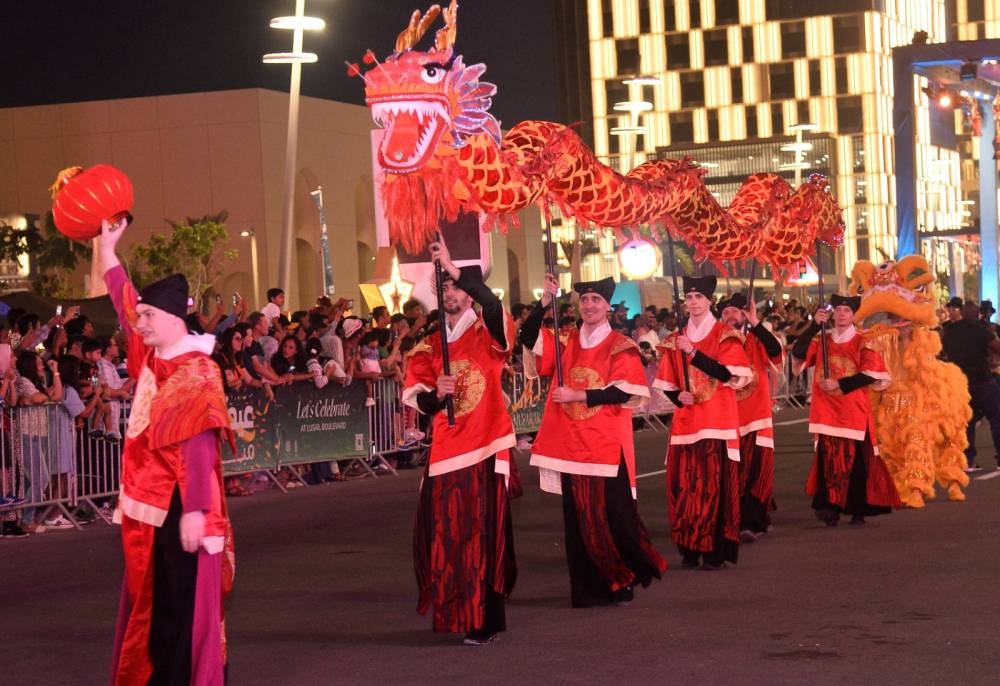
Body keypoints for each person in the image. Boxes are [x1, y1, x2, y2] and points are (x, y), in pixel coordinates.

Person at [99, 217, 235, 685]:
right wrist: (108, 252)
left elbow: (198, 447)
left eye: (149, 316)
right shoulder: (156, 356)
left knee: (179, 608)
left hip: (177, 504)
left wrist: (196, 511)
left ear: (176, 317)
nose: (139, 323)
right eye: (142, 316)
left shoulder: (195, 372)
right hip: (150, 507)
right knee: (153, 604)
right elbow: (123, 304)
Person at [523, 273, 665, 607]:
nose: (589, 305)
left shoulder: (619, 345)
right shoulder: (566, 341)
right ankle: (587, 588)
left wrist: (579, 394)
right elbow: (529, 336)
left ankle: (622, 578)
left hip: (603, 443)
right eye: (584, 300)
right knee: (577, 520)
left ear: (606, 307)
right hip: (570, 443)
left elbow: (624, 390)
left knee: (613, 516)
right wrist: (545, 301)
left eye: (596, 301)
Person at [401, 237, 517, 646]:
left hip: (485, 447)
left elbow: (493, 304)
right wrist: (440, 395)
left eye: (454, 287)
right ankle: (457, 614)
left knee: (482, 536)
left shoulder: (488, 333)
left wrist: (452, 266)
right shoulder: (430, 346)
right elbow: (424, 402)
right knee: (448, 538)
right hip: (447, 453)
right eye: (443, 288)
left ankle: (485, 619)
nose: (448, 293)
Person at [654, 275, 751, 570]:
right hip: (686, 423)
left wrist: (693, 353)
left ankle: (713, 549)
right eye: (689, 298)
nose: (693, 303)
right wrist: (677, 396)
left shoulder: (724, 334)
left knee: (712, 487)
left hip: (716, 422)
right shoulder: (676, 339)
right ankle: (689, 546)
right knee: (683, 487)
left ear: (710, 301)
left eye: (699, 297)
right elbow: (668, 383)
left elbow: (728, 374)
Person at [792, 294, 900, 525]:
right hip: (825, 410)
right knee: (827, 459)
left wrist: (840, 384)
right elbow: (799, 354)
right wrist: (813, 325)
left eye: (846, 311)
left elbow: (871, 374)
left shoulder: (863, 340)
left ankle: (857, 508)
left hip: (852, 409)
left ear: (853, 315)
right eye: (838, 310)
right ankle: (829, 507)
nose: (841, 314)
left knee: (856, 462)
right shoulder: (822, 338)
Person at [718, 292, 782, 542]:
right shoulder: (718, 342)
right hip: (726, 420)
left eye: (735, 311)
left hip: (757, 418)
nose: (730, 316)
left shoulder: (756, 339)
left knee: (758, 472)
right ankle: (735, 519)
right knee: (732, 474)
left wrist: (756, 322)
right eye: (725, 312)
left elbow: (775, 351)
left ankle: (753, 521)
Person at [940, 299, 1000, 472]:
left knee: (968, 422)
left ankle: (968, 460)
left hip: (960, 384)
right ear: (976, 314)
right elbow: (997, 347)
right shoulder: (981, 330)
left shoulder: (948, 331)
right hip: (982, 380)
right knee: (996, 419)